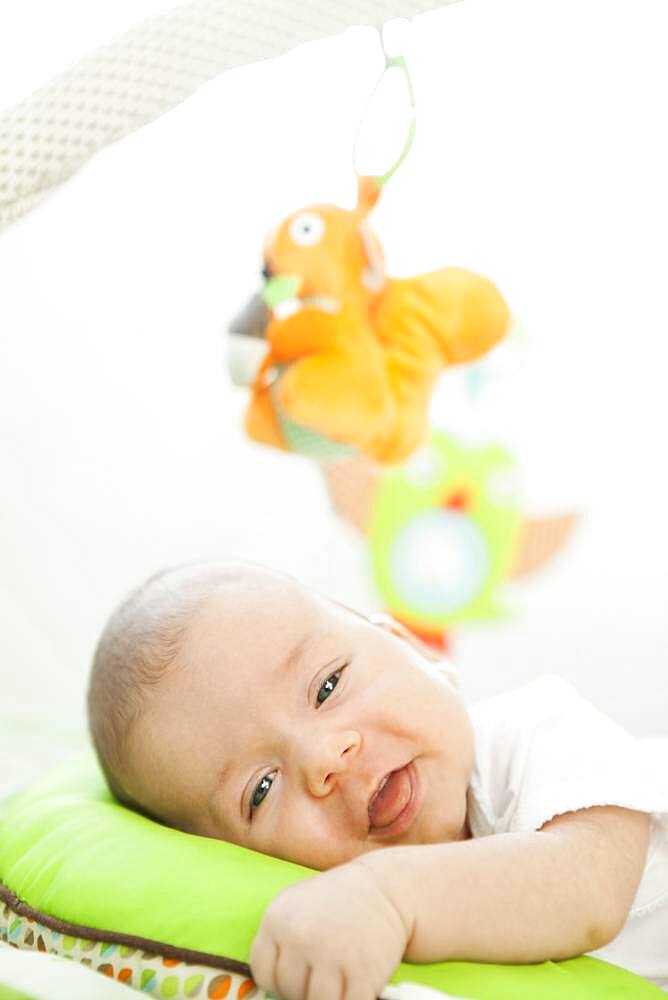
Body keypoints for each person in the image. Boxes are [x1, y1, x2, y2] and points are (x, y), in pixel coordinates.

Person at [87, 559, 668, 999]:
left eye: (327, 686)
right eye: (261, 789)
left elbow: (587, 885)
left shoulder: (534, 730)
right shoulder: (375, 945)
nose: (325, 757)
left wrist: (386, 893)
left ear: (410, 646)